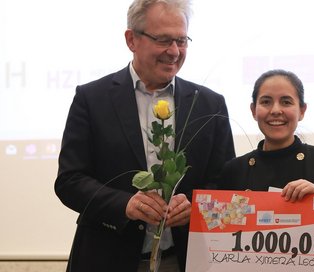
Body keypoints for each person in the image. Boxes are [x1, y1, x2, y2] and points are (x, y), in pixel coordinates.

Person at [54, 0, 235, 271]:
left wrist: (196, 207)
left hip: (185, 259)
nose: (174, 51)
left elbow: (225, 184)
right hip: (107, 258)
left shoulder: (209, 104)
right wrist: (124, 204)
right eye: (163, 40)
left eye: (181, 40)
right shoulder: (91, 99)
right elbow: (69, 181)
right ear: (131, 39)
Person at [219, 69, 314, 201]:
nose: (275, 110)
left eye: (286, 102)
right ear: (253, 110)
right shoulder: (234, 170)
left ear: (302, 111)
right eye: (266, 102)